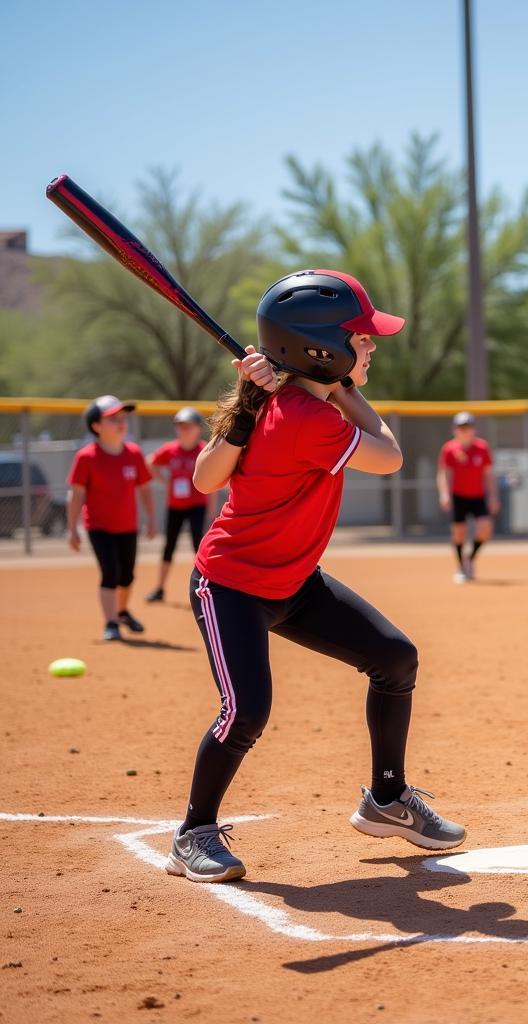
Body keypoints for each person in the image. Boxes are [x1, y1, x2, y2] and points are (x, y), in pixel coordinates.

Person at [165, 269, 465, 884]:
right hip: (232, 585)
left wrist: (319, 389)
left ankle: (387, 801)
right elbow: (388, 455)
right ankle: (193, 833)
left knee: (395, 657)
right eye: (361, 339)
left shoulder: (296, 403)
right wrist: (329, 395)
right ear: (319, 349)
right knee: (245, 712)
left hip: (294, 581)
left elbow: (208, 479)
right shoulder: (302, 415)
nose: (372, 346)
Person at [67, 395, 156, 641]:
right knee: (110, 572)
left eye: (122, 418)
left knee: (127, 575)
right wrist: (72, 529)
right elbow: (76, 495)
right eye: (112, 419)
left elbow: (145, 489)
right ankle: (111, 623)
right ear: (96, 426)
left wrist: (151, 518)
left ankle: (122, 611)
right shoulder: (87, 457)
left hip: (128, 526)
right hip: (99, 527)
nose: (121, 422)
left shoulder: (134, 453)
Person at [146, 407, 208, 603]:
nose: (184, 431)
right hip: (175, 505)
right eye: (180, 427)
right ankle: (160, 588)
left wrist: (212, 508)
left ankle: (203, 587)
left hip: (197, 504)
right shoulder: (170, 449)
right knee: (169, 546)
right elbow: (150, 462)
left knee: (199, 546)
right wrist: (165, 482)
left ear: (198, 429)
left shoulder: (204, 449)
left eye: (188, 427)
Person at [436, 412, 499, 583]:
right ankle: (462, 568)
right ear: (455, 429)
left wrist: (493, 497)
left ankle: (469, 559)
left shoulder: (482, 447)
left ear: (473, 429)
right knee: (459, 534)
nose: (465, 431)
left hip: (478, 496)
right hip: (458, 496)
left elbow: (489, 475)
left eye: (468, 427)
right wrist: (444, 494)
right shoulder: (449, 449)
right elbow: (443, 474)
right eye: (461, 427)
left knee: (485, 529)